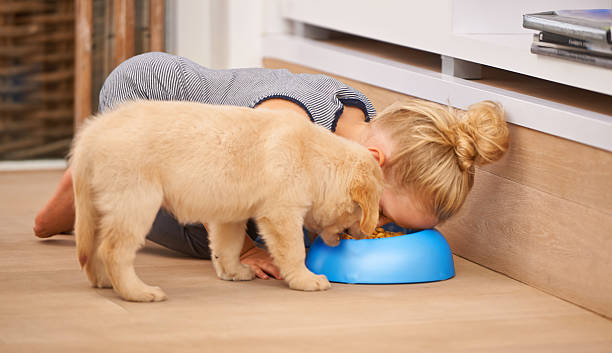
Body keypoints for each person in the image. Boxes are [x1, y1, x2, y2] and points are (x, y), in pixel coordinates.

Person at [33, 52, 509, 280]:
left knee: (273, 229)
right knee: (209, 223)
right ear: (372, 163)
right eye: (382, 213)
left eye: (393, 230)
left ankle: (103, 179)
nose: (374, 227)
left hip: (223, 184)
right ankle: (95, 175)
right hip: (155, 100)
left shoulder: (360, 139)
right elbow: (219, 169)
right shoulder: (289, 123)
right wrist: (244, 249)